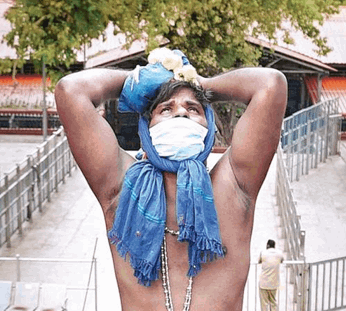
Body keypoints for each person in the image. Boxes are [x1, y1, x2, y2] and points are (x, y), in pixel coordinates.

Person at [54, 48, 287, 310]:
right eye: (166, 109)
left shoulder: (234, 188)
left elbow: (271, 85)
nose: (180, 113)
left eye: (193, 108)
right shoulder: (122, 191)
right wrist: (143, 81)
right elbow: (70, 91)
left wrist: (200, 83)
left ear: (208, 129)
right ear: (147, 128)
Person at [258, 239, 284, 311]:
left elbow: (259, 261)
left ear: (267, 245)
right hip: (274, 283)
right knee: (273, 302)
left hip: (263, 283)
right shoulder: (279, 253)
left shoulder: (263, 253)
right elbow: (282, 260)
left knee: (264, 304)